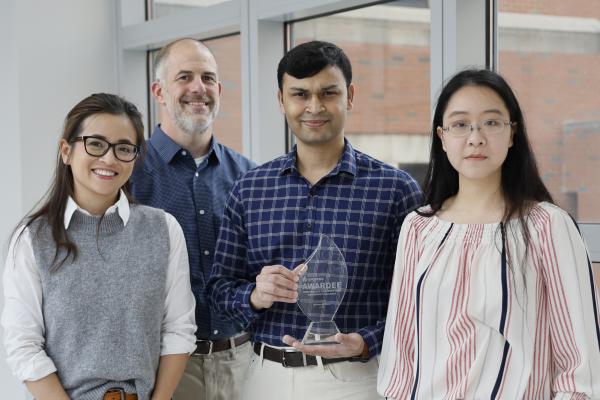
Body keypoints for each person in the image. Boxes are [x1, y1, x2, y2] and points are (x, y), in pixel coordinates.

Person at [206, 40, 422, 400]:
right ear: (281, 101)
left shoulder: (396, 190)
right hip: (264, 378)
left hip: (356, 379)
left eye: (328, 93)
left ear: (349, 96)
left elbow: (418, 301)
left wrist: (366, 342)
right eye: (300, 94)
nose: (314, 107)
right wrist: (255, 295)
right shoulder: (250, 188)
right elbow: (218, 288)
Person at [377, 69, 600, 399]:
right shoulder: (418, 227)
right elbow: (401, 357)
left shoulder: (547, 227)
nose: (475, 137)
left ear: (512, 134)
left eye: (492, 122)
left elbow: (580, 370)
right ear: (442, 136)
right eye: (460, 124)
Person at [1, 93, 197, 400]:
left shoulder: (164, 229)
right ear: (66, 151)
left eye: (123, 149)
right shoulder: (32, 238)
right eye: (95, 144)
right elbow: (23, 345)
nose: (109, 159)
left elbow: (178, 331)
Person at [130, 38, 256, 400]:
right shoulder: (129, 176)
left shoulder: (250, 176)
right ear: (159, 91)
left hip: (244, 363)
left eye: (208, 78)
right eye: (184, 77)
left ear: (218, 89)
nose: (198, 88)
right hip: (166, 369)